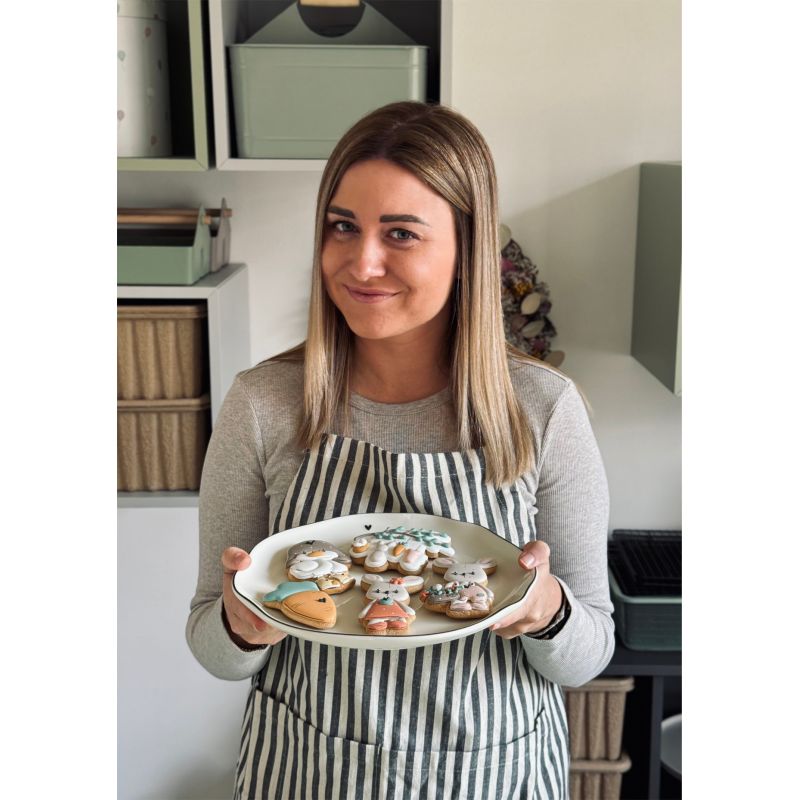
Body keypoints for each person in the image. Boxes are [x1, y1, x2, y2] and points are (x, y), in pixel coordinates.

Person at [186, 101, 614, 800]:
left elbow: (589, 653)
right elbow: (212, 647)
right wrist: (241, 622)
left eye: (402, 233)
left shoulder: (543, 409)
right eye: (342, 227)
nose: (362, 262)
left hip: (491, 775)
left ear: (466, 250)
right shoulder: (262, 403)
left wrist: (546, 607)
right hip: (312, 772)